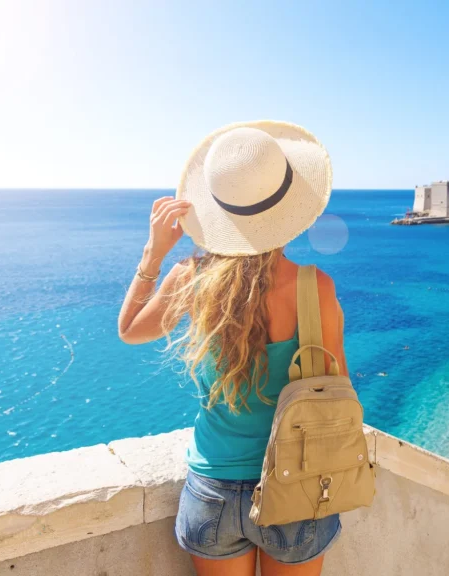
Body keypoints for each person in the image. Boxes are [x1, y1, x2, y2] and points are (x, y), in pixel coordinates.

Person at [117, 122, 343, 575]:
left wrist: (154, 251)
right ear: (287, 207)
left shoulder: (189, 278)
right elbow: (336, 388)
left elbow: (130, 330)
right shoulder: (313, 287)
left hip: (212, 491)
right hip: (294, 485)